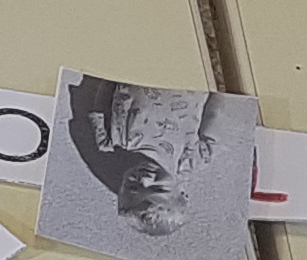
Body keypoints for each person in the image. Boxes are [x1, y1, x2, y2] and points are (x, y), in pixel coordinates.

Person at [60, 78, 228, 241]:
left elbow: (102, 101)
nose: (145, 179)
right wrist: (218, 84)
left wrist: (111, 76)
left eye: (132, 186)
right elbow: (216, 114)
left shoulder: (112, 141)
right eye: (158, 188)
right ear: (182, 193)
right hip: (189, 77)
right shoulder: (192, 158)